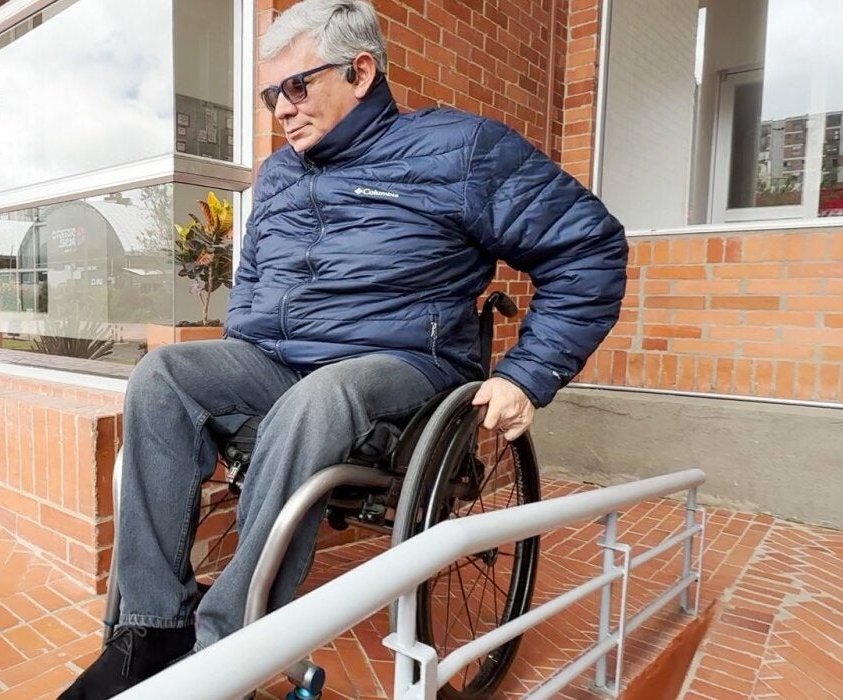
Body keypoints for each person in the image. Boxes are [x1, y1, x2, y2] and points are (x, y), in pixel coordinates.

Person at [59, 1, 627, 696]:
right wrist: (235, 360)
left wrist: (526, 374)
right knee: (163, 373)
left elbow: (589, 250)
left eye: (296, 86)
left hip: (404, 364)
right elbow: (253, 280)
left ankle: (227, 651)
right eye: (271, 96)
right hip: (279, 363)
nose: (282, 109)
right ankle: (150, 629)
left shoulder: (462, 151)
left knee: (321, 396)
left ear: (360, 72)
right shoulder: (278, 174)